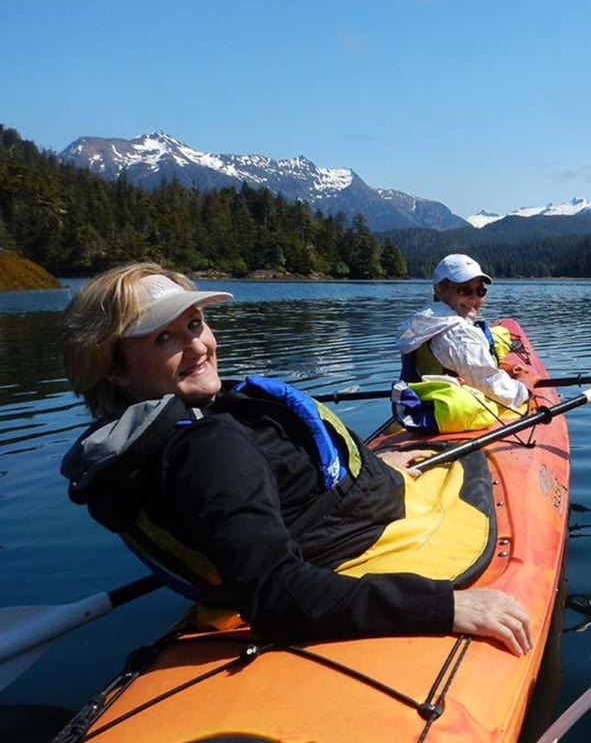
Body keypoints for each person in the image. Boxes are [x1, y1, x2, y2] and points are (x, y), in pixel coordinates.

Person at [58, 262, 532, 655]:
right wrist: (446, 607)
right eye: (165, 338)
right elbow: (277, 595)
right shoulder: (206, 449)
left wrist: (371, 468)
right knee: (470, 466)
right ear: (114, 369)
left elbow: (269, 497)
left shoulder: (173, 427)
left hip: (352, 510)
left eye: (195, 324)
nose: (199, 346)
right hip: (370, 544)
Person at [396, 253, 536, 408]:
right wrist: (526, 384)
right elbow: (501, 394)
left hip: (426, 406)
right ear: (439, 289)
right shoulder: (460, 334)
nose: (474, 298)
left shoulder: (422, 322)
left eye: (480, 291)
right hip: (453, 413)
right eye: (464, 290)